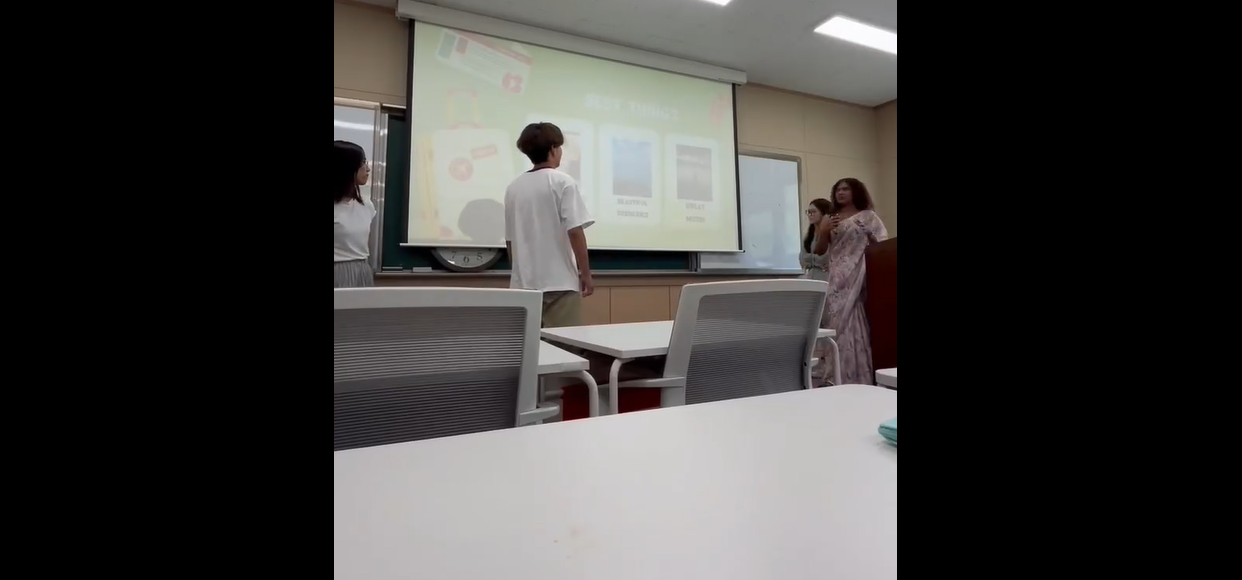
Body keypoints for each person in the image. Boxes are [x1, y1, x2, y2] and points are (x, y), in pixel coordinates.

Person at [505, 123, 595, 327]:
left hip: (523, 287)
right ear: (553, 149)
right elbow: (575, 231)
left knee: (530, 343)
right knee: (564, 343)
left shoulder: (513, 187)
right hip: (560, 284)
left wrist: (519, 275)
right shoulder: (563, 182)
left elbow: (510, 242)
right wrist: (586, 273)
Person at [813, 178, 889, 385]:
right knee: (834, 322)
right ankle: (834, 375)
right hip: (836, 277)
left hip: (857, 274)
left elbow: (882, 244)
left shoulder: (868, 217)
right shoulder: (830, 218)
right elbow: (819, 250)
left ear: (856, 191)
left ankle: (855, 375)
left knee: (853, 320)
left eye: (845, 189)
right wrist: (824, 230)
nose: (841, 192)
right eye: (838, 189)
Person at [333, 140, 375, 288]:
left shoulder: (366, 205)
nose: (368, 168)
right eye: (363, 163)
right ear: (347, 168)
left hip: (363, 271)